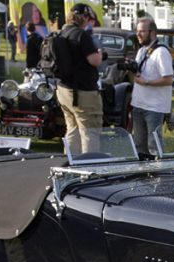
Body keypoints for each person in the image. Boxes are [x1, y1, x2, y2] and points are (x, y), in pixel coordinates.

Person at [56, 3, 103, 154]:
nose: (89, 23)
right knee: (90, 132)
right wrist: (100, 54)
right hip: (83, 93)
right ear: (83, 17)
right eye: (89, 19)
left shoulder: (62, 32)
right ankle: (89, 167)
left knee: (72, 129)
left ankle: (69, 163)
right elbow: (95, 60)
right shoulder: (82, 35)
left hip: (64, 89)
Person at [131, 17, 173, 157]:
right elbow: (138, 75)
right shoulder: (141, 51)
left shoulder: (161, 52)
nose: (138, 34)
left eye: (142, 31)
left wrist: (147, 82)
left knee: (154, 146)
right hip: (138, 104)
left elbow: (168, 79)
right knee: (139, 147)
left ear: (153, 33)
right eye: (137, 31)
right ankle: (142, 175)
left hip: (154, 107)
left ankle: (159, 175)